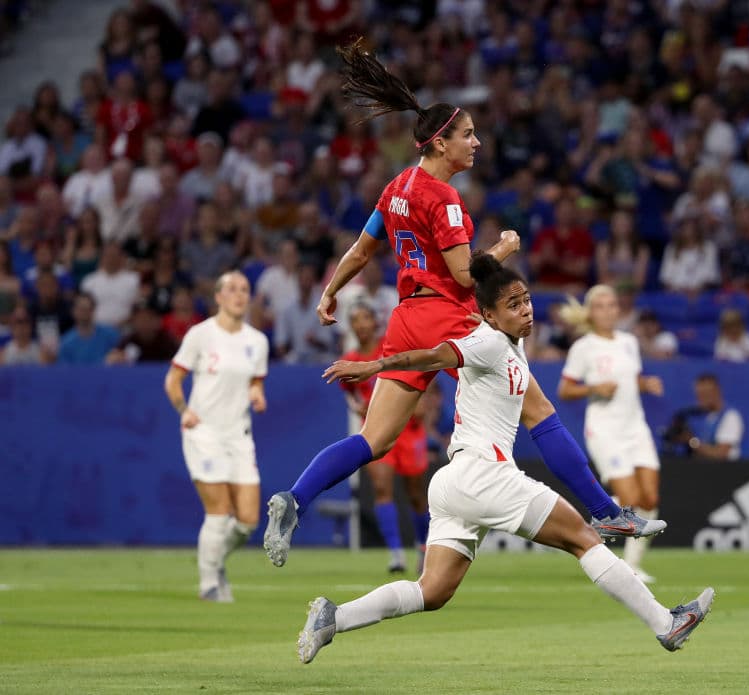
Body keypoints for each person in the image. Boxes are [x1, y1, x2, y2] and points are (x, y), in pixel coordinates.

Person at [263, 39, 663, 569]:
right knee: (539, 408)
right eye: (468, 135)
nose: (476, 143)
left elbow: (362, 250)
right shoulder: (445, 198)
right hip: (449, 316)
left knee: (374, 439)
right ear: (438, 144)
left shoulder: (396, 187)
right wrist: (503, 248)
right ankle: (606, 511)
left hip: (405, 318)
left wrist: (331, 289)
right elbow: (461, 274)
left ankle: (295, 497)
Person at [296, 253, 713, 664]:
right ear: (489, 316)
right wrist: (377, 365)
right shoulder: (488, 341)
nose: (526, 310)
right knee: (584, 538)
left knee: (433, 591)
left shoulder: (512, 348)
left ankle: (335, 617)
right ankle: (665, 623)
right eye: (513, 305)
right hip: (483, 474)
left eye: (527, 299)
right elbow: (433, 355)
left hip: (456, 480)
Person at [163, 271, 269, 602]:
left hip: (239, 434)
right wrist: (185, 411)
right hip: (204, 431)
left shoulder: (257, 341)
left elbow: (255, 381)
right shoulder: (200, 335)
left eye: (245, 289)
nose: (240, 295)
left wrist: (257, 394)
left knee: (249, 521)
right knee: (219, 511)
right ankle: (209, 583)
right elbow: (173, 380)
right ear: (219, 297)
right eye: (232, 290)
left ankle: (215, 559)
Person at [557, 286, 666, 584]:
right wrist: (594, 388)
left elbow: (630, 379)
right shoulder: (584, 347)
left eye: (612, 305)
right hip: (605, 429)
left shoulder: (629, 342)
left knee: (650, 497)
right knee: (630, 498)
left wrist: (645, 384)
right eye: (601, 306)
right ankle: (593, 519)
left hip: (635, 427)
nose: (608, 310)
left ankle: (632, 566)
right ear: (591, 312)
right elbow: (565, 389)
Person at [339, 303, 430, 574]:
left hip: (408, 426)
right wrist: (356, 406)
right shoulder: (352, 358)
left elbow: (421, 372)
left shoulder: (391, 348)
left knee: (415, 494)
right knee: (381, 488)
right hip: (377, 428)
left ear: (375, 322)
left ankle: (423, 547)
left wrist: (423, 402)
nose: (361, 324)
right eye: (355, 319)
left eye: (365, 318)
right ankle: (396, 555)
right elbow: (349, 390)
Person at [687, 374, 744, 461]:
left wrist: (692, 442)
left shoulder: (731, 416)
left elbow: (721, 453)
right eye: (699, 395)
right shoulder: (706, 417)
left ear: (717, 392)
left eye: (705, 394)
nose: (701, 399)